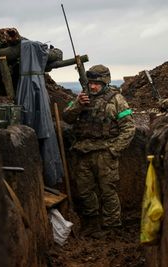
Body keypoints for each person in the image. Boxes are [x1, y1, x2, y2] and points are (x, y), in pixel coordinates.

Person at [62, 64, 135, 238]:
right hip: (83, 153)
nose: (93, 86)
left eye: (97, 83)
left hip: (105, 153)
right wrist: (78, 105)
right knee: (85, 191)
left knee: (108, 191)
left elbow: (129, 128)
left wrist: (113, 150)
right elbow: (67, 117)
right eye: (91, 82)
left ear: (105, 83)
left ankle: (111, 227)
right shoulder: (82, 98)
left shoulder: (117, 100)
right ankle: (92, 225)